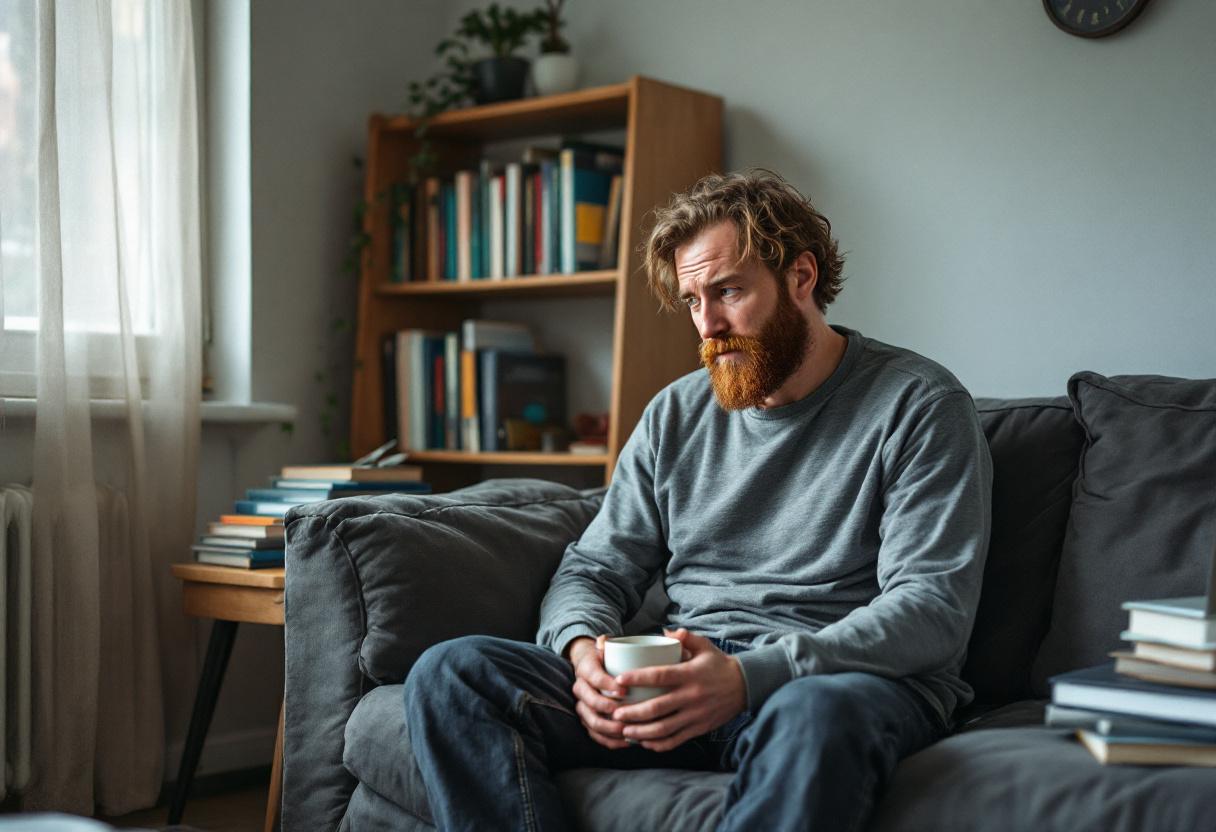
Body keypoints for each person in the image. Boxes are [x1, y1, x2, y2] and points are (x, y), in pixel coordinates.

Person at [405, 169, 993, 831]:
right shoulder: (675, 415)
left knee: (816, 714)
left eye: (729, 291)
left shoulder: (918, 404)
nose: (708, 325)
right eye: (691, 300)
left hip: (829, 686)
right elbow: (594, 569)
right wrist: (582, 653)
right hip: (680, 683)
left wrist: (747, 678)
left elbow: (932, 607)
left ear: (801, 278)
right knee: (455, 672)